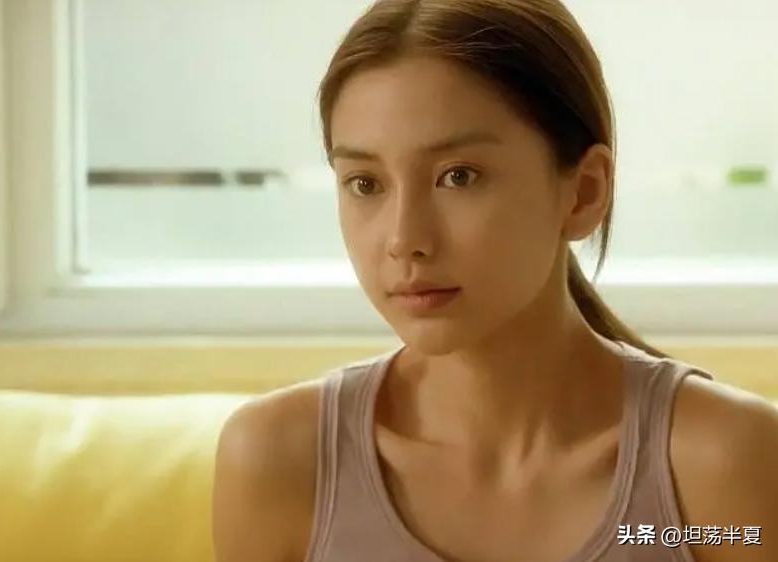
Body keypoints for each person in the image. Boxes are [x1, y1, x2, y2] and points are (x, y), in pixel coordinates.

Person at [212, 1, 778, 561]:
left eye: (458, 176)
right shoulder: (278, 462)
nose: (404, 239)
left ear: (584, 192)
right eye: (365, 183)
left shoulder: (726, 464)